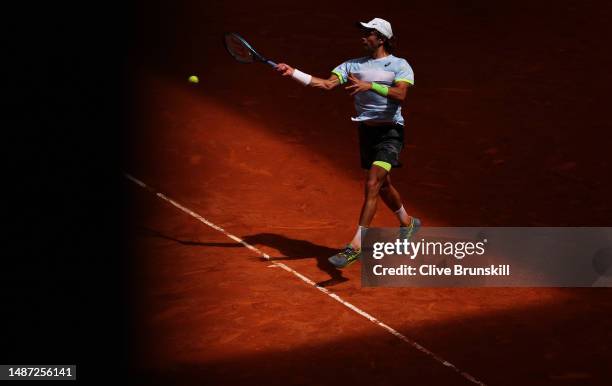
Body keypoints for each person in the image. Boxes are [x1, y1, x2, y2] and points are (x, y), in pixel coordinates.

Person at [275, 17, 421, 269]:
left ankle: (355, 246)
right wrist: (293, 73)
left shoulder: (399, 65)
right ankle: (408, 223)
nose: (363, 36)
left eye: (368, 33)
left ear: (382, 38)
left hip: (390, 132)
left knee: (373, 182)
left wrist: (370, 85)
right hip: (366, 133)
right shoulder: (351, 65)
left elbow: (400, 94)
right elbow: (326, 84)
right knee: (384, 185)